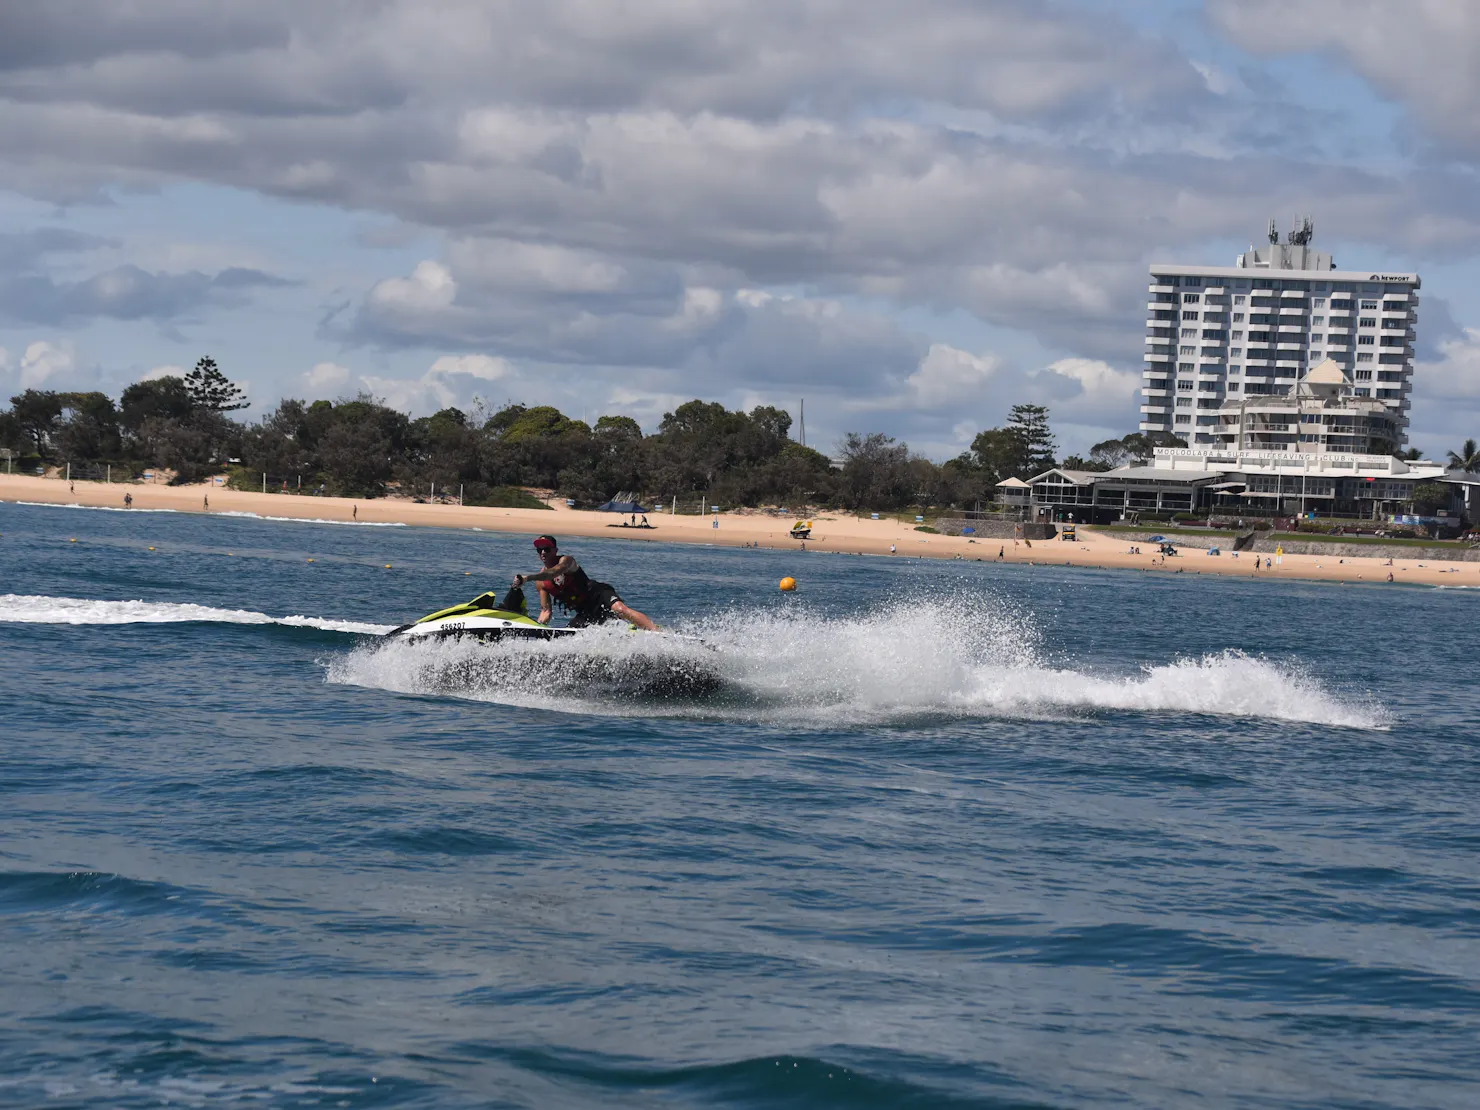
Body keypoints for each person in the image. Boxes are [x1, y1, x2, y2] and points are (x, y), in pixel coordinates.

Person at [515, 535, 658, 631]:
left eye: (547, 549)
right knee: (569, 634)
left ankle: (658, 633)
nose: (543, 553)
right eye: (540, 550)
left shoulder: (567, 561)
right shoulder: (542, 584)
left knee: (620, 610)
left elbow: (555, 571)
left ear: (555, 550)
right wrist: (539, 628)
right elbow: (546, 611)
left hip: (598, 595)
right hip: (585, 611)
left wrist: (528, 578)